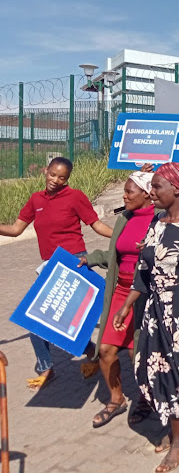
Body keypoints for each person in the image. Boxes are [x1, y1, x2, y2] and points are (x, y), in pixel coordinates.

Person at [113, 162, 179, 471]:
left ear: (176, 189)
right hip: (155, 312)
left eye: (157, 187)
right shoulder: (157, 223)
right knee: (154, 371)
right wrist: (126, 306)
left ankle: (178, 442)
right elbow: (143, 271)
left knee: (177, 375)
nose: (152, 192)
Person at [0, 156, 112, 390]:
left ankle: (82, 357)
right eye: (53, 174)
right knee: (39, 322)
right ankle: (51, 366)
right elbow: (15, 229)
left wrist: (123, 235)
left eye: (62, 177)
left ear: (67, 179)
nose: (55, 180)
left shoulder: (75, 197)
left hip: (75, 264)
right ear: (46, 171)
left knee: (63, 321)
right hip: (50, 268)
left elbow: (97, 225)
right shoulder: (36, 199)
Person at [77, 172, 155, 428]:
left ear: (145, 194)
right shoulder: (124, 218)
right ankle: (116, 398)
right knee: (106, 350)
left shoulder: (160, 219)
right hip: (120, 292)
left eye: (129, 192)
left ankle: (146, 397)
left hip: (144, 295)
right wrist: (91, 258)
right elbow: (115, 253)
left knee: (137, 352)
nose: (124, 195)